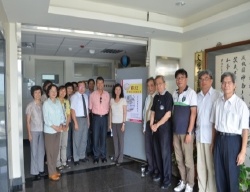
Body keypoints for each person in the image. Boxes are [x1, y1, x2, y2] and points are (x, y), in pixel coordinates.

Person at [210, 72, 249, 192]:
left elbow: (245, 130)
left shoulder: (240, 105)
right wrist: (213, 143)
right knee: (219, 176)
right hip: (219, 140)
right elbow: (214, 126)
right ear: (221, 85)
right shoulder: (217, 103)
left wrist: (242, 152)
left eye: (229, 82)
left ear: (234, 85)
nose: (226, 85)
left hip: (233, 142)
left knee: (232, 177)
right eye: (224, 82)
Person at [172, 69, 197, 192]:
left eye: (182, 77)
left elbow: (193, 114)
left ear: (186, 79)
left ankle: (190, 184)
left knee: (188, 160)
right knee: (179, 159)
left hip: (186, 133)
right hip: (175, 132)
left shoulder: (191, 93)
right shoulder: (174, 94)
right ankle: (183, 181)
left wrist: (189, 132)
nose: (179, 80)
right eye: (177, 78)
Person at [196, 70, 220, 192]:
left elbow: (218, 120)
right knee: (200, 166)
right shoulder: (197, 97)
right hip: (199, 136)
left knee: (211, 168)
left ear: (211, 80)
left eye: (206, 78)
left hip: (211, 138)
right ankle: (202, 189)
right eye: (201, 79)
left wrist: (214, 141)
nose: (203, 81)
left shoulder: (217, 96)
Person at [150, 75, 173, 190]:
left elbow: (168, 114)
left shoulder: (168, 96)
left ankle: (167, 179)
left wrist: (157, 125)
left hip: (164, 128)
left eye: (160, 83)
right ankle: (160, 173)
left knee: (165, 154)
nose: (158, 86)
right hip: (155, 128)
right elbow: (153, 111)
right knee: (157, 152)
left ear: (164, 84)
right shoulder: (155, 97)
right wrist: (151, 124)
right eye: (156, 84)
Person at [43, 84, 65, 181]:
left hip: (58, 130)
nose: (54, 93)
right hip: (49, 131)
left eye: (55, 91)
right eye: (51, 91)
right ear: (48, 92)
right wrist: (54, 127)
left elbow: (62, 114)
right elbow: (46, 119)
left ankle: (54, 170)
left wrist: (61, 124)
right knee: (50, 152)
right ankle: (51, 173)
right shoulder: (46, 104)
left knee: (56, 151)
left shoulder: (58, 103)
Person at [26, 85, 45, 180]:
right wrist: (29, 134)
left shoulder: (42, 104)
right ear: (32, 94)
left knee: (41, 151)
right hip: (33, 131)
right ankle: (35, 171)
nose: (38, 94)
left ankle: (41, 169)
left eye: (39, 92)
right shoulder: (30, 105)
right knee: (34, 151)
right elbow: (28, 121)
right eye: (35, 93)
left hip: (42, 131)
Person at [89, 76, 110, 164]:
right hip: (96, 118)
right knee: (95, 137)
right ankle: (96, 156)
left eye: (101, 83)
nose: (100, 85)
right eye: (98, 83)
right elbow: (90, 108)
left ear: (103, 84)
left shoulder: (107, 94)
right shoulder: (92, 95)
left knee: (103, 137)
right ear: (96, 84)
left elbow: (109, 107)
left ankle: (103, 155)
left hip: (105, 117)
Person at [70, 81, 89, 165]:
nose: (82, 88)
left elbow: (87, 110)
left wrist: (88, 121)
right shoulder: (74, 97)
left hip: (85, 119)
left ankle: (82, 156)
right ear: (77, 87)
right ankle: (76, 158)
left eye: (83, 87)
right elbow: (72, 110)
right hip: (77, 119)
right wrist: (75, 122)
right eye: (80, 87)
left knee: (84, 139)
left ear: (85, 87)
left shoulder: (85, 96)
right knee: (76, 140)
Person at [142, 77, 158, 176]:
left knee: (155, 149)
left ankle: (156, 169)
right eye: (148, 86)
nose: (150, 88)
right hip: (147, 125)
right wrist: (144, 127)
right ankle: (150, 167)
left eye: (152, 85)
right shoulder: (148, 98)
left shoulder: (158, 97)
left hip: (155, 126)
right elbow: (145, 114)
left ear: (155, 86)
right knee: (148, 148)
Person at [109, 83, 127, 166]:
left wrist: (124, 124)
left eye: (119, 89)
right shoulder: (112, 100)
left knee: (121, 142)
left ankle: (120, 159)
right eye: (116, 89)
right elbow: (110, 113)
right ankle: (116, 157)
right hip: (113, 123)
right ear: (114, 90)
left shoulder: (123, 100)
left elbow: (125, 112)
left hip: (120, 123)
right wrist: (110, 124)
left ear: (121, 91)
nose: (118, 91)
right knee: (115, 141)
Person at [56, 86, 71, 171]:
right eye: (61, 91)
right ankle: (58, 163)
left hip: (65, 127)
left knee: (64, 145)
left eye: (64, 91)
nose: (63, 93)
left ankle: (64, 162)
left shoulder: (66, 102)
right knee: (58, 146)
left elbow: (68, 114)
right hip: (58, 127)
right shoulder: (55, 101)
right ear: (58, 92)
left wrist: (67, 125)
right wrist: (61, 125)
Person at [65, 82, 74, 162]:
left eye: (71, 88)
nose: (70, 90)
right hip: (66, 122)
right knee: (67, 140)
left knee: (72, 139)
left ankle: (71, 154)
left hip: (73, 121)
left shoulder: (73, 97)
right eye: (68, 88)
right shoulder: (64, 99)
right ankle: (67, 156)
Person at [86, 78, 95, 157]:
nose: (91, 85)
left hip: (95, 115)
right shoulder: (85, 94)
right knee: (88, 133)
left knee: (94, 133)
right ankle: (88, 150)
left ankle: (94, 149)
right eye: (90, 84)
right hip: (88, 115)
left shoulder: (96, 93)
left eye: (92, 83)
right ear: (88, 85)